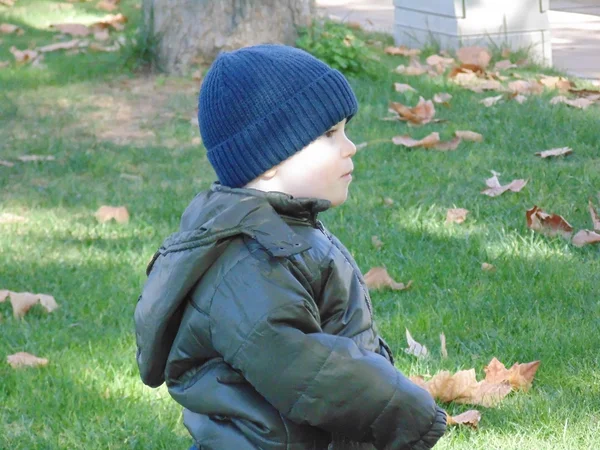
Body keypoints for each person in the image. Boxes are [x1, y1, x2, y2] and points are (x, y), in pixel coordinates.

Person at [134, 44, 447, 450]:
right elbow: (304, 367)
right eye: (330, 134)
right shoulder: (248, 262)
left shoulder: (282, 231)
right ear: (268, 159)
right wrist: (405, 411)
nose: (350, 146)